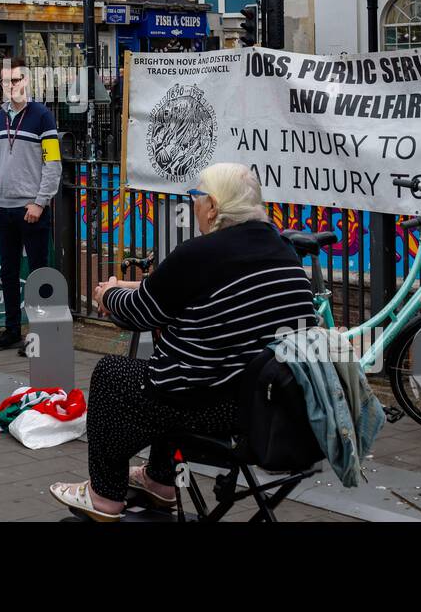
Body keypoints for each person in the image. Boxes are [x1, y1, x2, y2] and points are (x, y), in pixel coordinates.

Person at [49, 163, 319, 521]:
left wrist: (109, 293)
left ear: (213, 206)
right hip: (274, 406)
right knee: (174, 370)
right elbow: (188, 296)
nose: (193, 206)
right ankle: (159, 482)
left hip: (214, 405)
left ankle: (104, 495)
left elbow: (139, 314)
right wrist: (138, 290)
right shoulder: (282, 250)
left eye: (196, 197)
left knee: (114, 375)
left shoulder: (201, 252)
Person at [0, 57, 62, 354]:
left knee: (38, 272)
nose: (10, 86)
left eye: (15, 80)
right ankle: (12, 331)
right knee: (8, 270)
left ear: (26, 81)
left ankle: (41, 333)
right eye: (5, 81)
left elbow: (52, 163)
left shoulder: (43, 116)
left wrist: (40, 203)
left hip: (31, 208)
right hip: (3, 207)